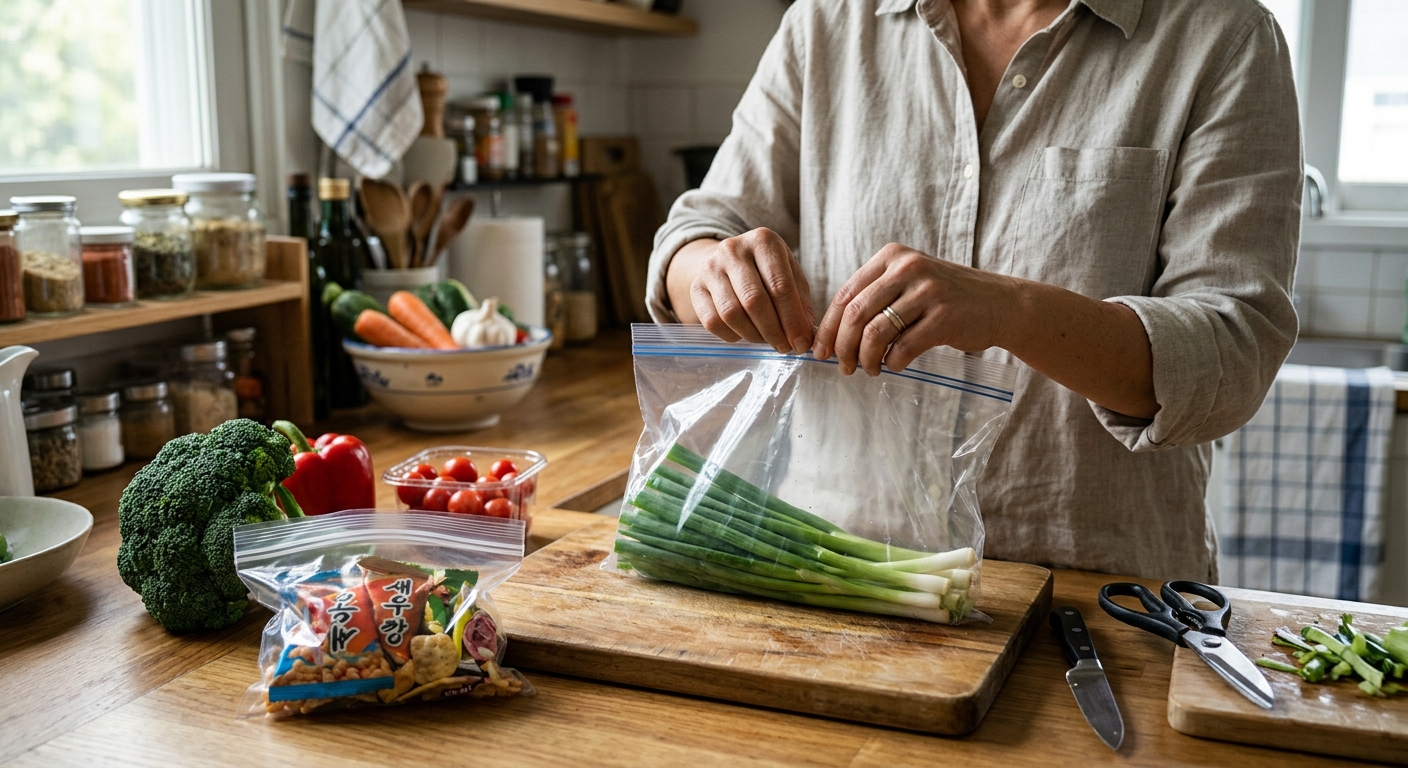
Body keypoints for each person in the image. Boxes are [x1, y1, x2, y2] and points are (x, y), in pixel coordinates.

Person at [646, 0, 1301, 580]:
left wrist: (1010, 309)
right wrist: (710, 270)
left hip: (1094, 587)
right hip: (838, 563)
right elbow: (697, 235)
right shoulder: (825, 22)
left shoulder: (1226, 36)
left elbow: (1232, 354)